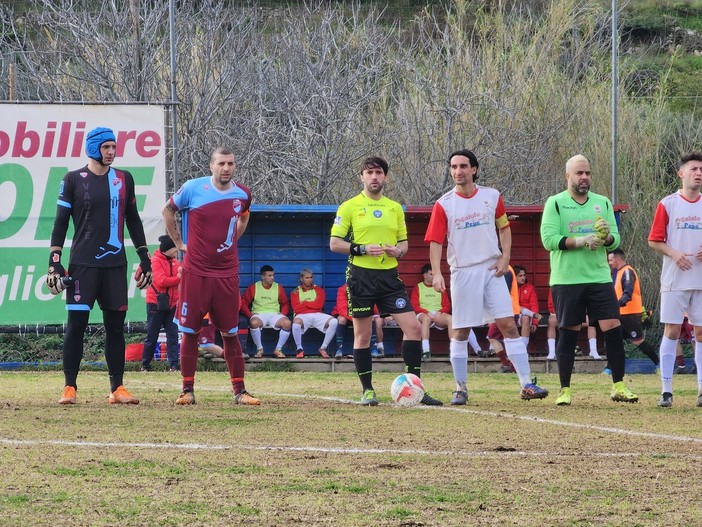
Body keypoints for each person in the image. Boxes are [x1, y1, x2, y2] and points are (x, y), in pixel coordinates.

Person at [425, 149, 548, 405]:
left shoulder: (492, 196)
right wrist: (437, 273)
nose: (458, 171)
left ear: (474, 169)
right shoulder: (443, 204)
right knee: (460, 331)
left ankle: (526, 384)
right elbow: (435, 241)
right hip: (463, 272)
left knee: (509, 326)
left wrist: (505, 258)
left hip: (492, 270)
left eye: (463, 166)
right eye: (454, 167)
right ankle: (460, 388)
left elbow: (504, 228)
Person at [47, 126, 151, 405]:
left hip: (115, 266)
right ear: (93, 148)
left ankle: (117, 388)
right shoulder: (72, 179)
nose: (111, 152)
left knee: (116, 328)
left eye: (114, 147)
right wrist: (54, 262)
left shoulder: (124, 178)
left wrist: (145, 257)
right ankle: (70, 387)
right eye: (106, 147)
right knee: (76, 326)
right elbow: (59, 223)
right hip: (82, 265)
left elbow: (134, 220)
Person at [330, 156, 443, 406]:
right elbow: (335, 243)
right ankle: (368, 391)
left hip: (390, 278)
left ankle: (416, 389)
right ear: (361, 177)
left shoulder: (394, 208)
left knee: (413, 328)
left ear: (386, 177)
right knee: (362, 335)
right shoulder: (349, 206)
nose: (374, 177)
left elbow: (404, 244)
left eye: (378, 172)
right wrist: (360, 249)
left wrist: (398, 251)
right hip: (361, 277)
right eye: (369, 172)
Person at [163, 146, 260, 406]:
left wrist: (231, 241)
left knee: (229, 333)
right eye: (221, 163)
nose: (226, 168)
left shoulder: (243, 194)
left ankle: (240, 391)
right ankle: (187, 390)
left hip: (227, 274)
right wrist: (179, 243)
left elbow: (243, 217)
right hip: (196, 273)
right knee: (190, 331)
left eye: (230, 163)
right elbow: (167, 211)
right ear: (211, 166)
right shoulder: (193, 188)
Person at [540, 153, 638, 406]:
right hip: (567, 279)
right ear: (568, 176)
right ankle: (565, 390)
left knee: (613, 329)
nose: (584, 178)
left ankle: (618, 386)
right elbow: (549, 240)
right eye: (579, 173)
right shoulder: (556, 203)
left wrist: (605, 238)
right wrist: (580, 241)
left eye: (588, 173)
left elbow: (615, 240)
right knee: (569, 331)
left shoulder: (603, 202)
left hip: (598, 278)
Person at [648, 152, 702, 408]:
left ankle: (701, 389)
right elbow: (654, 240)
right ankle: (667, 390)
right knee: (672, 330)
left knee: (701, 333)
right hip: (674, 280)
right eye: (694, 168)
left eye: (701, 169)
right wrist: (674, 253)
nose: (699, 173)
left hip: (700, 280)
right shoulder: (668, 204)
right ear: (681, 173)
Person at [605, 248, 659, 370]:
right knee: (614, 340)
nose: (609, 263)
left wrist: (620, 302)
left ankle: (658, 364)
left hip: (630, 314)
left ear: (618, 259)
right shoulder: (617, 272)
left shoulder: (627, 271)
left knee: (638, 342)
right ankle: (610, 368)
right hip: (619, 313)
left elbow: (628, 290)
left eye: (610, 260)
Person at [141, 234, 181, 372]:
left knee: (173, 335)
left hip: (172, 304)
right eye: (174, 248)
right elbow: (161, 281)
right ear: (167, 249)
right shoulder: (155, 261)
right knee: (152, 335)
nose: (176, 250)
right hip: (155, 303)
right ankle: (145, 364)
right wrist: (178, 278)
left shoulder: (176, 262)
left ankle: (174, 365)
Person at [241, 265, 292, 358]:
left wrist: (283, 314)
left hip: (275, 314)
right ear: (263, 276)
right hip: (259, 314)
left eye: (273, 275)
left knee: (287, 323)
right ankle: (259, 349)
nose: (272, 277)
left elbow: (285, 303)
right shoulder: (254, 287)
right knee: (254, 322)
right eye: (269, 275)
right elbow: (243, 302)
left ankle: (278, 349)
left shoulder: (278, 287)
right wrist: (249, 314)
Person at [410, 264, 454, 362]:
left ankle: (453, 350)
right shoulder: (418, 287)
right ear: (425, 275)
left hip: (438, 314)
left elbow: (447, 305)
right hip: (423, 313)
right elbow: (415, 305)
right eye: (431, 274)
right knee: (426, 319)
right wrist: (427, 312)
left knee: (450, 319)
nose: (434, 276)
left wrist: (440, 312)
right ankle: (426, 351)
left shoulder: (440, 287)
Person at [290, 268, 337, 358]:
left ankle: (323, 348)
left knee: (334, 322)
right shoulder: (295, 291)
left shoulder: (319, 289)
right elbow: (296, 308)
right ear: (301, 279)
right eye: (307, 278)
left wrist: (304, 303)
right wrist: (312, 304)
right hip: (302, 315)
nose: (309, 279)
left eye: (311, 277)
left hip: (317, 314)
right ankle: (299, 349)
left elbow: (319, 305)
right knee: (296, 324)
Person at [513, 265, 542, 351]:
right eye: (520, 276)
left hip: (526, 316)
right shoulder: (510, 288)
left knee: (525, 318)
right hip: (512, 314)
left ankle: (523, 349)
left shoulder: (530, 288)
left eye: (524, 275)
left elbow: (534, 305)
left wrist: (534, 322)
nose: (523, 278)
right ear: (514, 276)